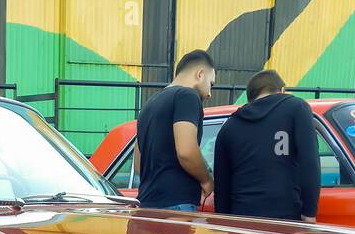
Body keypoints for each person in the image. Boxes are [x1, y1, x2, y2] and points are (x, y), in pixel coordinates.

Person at [212, 69, 320, 223]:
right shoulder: (297, 108)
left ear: (250, 99)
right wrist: (309, 212)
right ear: (282, 91)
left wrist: (225, 223)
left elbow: (221, 185)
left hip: (241, 218)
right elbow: (310, 162)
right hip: (285, 218)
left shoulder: (230, 126)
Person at [134, 49, 216, 211]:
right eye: (211, 84)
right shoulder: (187, 96)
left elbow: (138, 164)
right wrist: (207, 180)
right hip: (177, 203)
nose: (209, 94)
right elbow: (186, 151)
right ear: (200, 74)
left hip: (147, 203)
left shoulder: (150, 104)